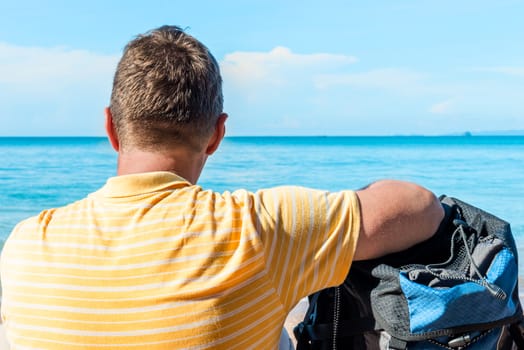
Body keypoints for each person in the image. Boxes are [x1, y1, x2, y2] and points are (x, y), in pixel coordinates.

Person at [0, 25, 444, 349]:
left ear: (111, 129)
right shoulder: (259, 228)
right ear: (216, 135)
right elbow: (420, 206)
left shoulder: (25, 244)